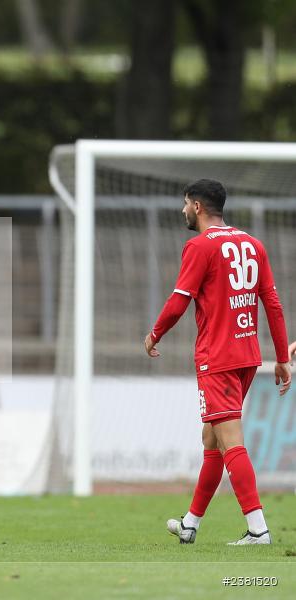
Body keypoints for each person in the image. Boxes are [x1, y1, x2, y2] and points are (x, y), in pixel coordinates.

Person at [144, 179, 291, 545]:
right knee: (211, 438)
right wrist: (278, 358)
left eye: (184, 205)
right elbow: (271, 304)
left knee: (229, 440)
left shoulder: (198, 247)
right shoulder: (253, 245)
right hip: (246, 356)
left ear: (196, 206)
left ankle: (258, 528)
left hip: (218, 357)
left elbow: (179, 300)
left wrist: (155, 333)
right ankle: (191, 523)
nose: (182, 211)